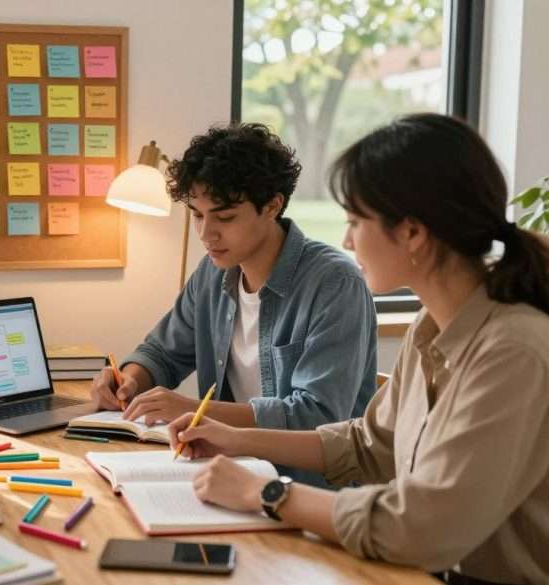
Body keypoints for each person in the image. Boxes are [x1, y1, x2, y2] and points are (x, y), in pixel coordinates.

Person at [168, 113, 549, 585]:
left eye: (354, 221)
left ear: (412, 232)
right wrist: (235, 437)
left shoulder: (513, 351)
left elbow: (422, 526)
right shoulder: (430, 329)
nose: (347, 240)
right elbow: (369, 445)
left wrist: (266, 492)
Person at [90, 123, 377, 486]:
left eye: (224, 217)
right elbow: (162, 352)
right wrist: (128, 379)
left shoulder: (335, 284)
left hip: (308, 491)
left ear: (273, 206)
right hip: (230, 475)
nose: (206, 234)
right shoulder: (212, 274)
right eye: (197, 214)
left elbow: (316, 417)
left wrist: (197, 411)